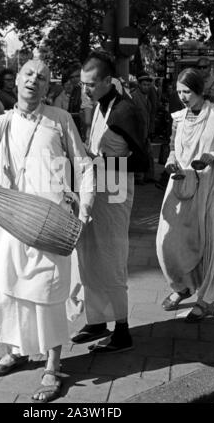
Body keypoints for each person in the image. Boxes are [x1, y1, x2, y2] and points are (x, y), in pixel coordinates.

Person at [0, 57, 94, 402]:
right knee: (8, 291)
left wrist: (86, 205)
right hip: (11, 219)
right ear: (17, 80)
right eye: (28, 74)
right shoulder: (1, 124)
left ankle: (53, 365)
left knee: (48, 292)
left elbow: (84, 166)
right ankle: (16, 351)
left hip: (51, 221)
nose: (34, 81)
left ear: (48, 87)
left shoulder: (60, 120)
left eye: (42, 77)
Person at [72, 50, 148, 353]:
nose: (85, 90)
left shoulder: (124, 110)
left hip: (115, 190)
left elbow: (142, 163)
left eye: (90, 84)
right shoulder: (102, 104)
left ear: (107, 81)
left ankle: (122, 329)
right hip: (95, 188)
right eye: (81, 84)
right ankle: (96, 321)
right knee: (89, 254)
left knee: (112, 257)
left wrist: (98, 164)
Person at [157, 67, 214, 322]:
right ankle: (181, 286)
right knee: (168, 242)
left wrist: (212, 157)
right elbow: (174, 150)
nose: (182, 96)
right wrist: (171, 162)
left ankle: (206, 299)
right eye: (179, 92)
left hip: (208, 187)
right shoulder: (179, 118)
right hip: (179, 185)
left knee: (207, 242)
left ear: (198, 90)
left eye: (187, 91)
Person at [131, 71, 155, 184]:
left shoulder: (147, 96)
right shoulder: (134, 96)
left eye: (148, 85)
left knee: (147, 153)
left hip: (145, 131)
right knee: (139, 154)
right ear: (139, 85)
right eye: (144, 85)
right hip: (137, 131)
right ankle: (138, 177)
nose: (146, 87)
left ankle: (147, 176)